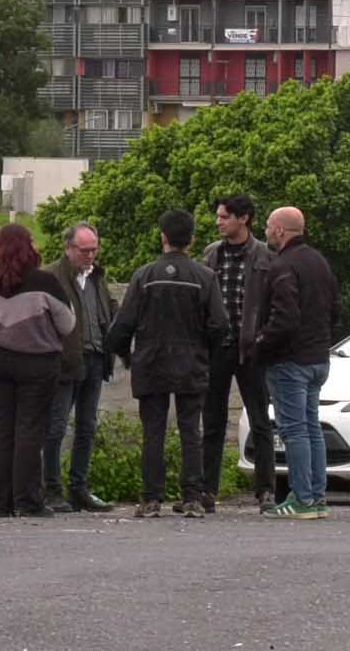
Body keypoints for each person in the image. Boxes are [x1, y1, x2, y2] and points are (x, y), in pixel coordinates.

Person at [105, 209, 226, 518]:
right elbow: (220, 325)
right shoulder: (205, 277)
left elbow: (123, 324)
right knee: (191, 430)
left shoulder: (144, 276)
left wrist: (125, 354)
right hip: (192, 361)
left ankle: (151, 499)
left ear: (163, 237)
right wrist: (207, 352)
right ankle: (192, 497)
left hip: (151, 361)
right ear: (192, 240)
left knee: (153, 431)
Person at [0, 223, 76, 518]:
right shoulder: (45, 282)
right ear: (26, 248)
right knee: (30, 430)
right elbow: (68, 324)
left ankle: (2, 503)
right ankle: (28, 500)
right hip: (37, 363)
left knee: (2, 431)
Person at [254, 206, 340, 520]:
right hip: (318, 357)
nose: (266, 231)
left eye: (268, 226)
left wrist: (261, 343)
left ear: (279, 230)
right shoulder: (319, 262)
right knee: (311, 427)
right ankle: (317, 496)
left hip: (290, 360)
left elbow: (285, 317)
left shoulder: (282, 265)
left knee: (294, 431)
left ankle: (302, 498)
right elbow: (335, 309)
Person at [200, 195, 276, 513]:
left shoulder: (265, 255)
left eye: (225, 217)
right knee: (212, 422)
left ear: (243, 218)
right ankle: (207, 490)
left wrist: (262, 339)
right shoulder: (211, 254)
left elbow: (273, 301)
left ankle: (266, 490)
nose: (218, 222)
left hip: (251, 349)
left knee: (260, 421)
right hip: (218, 347)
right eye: (218, 216)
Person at [42, 222, 116, 513]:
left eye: (94, 249)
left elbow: (108, 309)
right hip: (64, 362)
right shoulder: (51, 277)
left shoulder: (97, 276)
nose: (90, 255)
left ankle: (79, 488)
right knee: (56, 426)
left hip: (96, 358)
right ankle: (51, 489)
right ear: (68, 248)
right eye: (84, 250)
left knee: (87, 426)